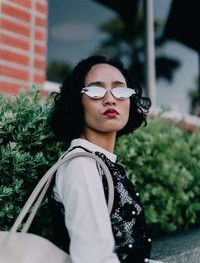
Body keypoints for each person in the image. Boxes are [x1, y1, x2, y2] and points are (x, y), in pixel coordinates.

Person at [49, 55, 161, 263]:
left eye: (120, 90)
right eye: (95, 90)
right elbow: (95, 258)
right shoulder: (81, 164)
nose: (110, 98)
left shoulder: (98, 162)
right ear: (77, 101)